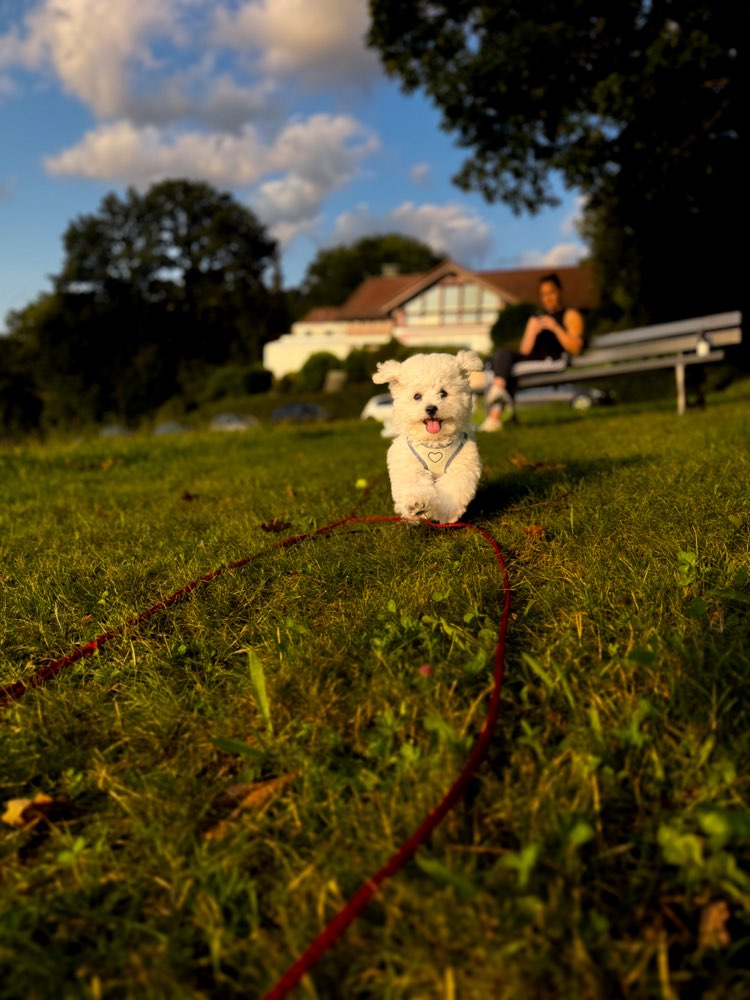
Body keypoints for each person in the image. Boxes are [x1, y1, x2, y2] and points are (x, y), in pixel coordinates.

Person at [480, 273, 586, 430]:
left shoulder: (570, 315)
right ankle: (496, 402)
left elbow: (575, 348)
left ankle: (494, 417)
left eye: (551, 292)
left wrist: (555, 327)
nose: (548, 298)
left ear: (559, 291)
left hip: (552, 360)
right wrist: (532, 330)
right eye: (544, 294)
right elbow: (525, 350)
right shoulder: (537, 317)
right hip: (532, 360)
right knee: (500, 356)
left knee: (503, 370)